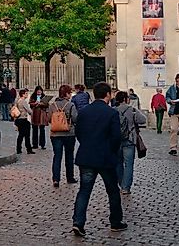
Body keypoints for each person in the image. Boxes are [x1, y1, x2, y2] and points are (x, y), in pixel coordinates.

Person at [71, 83, 127, 237]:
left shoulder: (84, 112)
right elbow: (116, 137)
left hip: (86, 156)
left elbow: (79, 133)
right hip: (105, 157)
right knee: (113, 191)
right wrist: (112, 151)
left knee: (84, 191)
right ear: (107, 94)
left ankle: (78, 222)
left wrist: (87, 145)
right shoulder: (111, 113)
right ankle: (115, 221)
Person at [114, 91, 146, 194]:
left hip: (116, 140)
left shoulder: (113, 110)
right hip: (129, 139)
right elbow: (143, 120)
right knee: (129, 164)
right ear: (125, 99)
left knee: (118, 163)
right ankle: (126, 187)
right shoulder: (132, 110)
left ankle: (121, 183)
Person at [48, 85, 78, 187]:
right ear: (66, 94)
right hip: (69, 133)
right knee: (69, 156)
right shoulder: (70, 105)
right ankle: (70, 177)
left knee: (57, 156)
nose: (71, 95)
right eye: (70, 93)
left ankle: (56, 179)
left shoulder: (53, 105)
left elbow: (49, 119)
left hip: (55, 134)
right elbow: (75, 118)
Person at [13, 89, 34, 155]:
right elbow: (29, 110)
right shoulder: (23, 101)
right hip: (23, 119)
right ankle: (29, 149)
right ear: (23, 94)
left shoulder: (17, 101)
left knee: (20, 135)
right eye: (26, 93)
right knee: (27, 135)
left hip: (18, 119)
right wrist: (31, 112)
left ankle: (18, 149)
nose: (27, 95)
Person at [30, 85, 49, 150]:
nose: (39, 92)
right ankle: (35, 144)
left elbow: (47, 104)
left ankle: (42, 144)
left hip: (42, 114)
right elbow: (30, 103)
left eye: (40, 91)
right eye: (38, 91)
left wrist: (42, 104)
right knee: (34, 129)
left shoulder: (44, 96)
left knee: (42, 129)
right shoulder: (33, 96)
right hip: (35, 113)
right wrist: (35, 103)